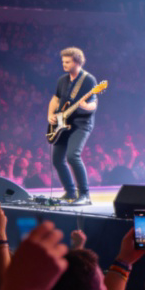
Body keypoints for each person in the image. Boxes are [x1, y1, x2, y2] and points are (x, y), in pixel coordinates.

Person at [47, 47, 99, 205]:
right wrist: (50, 115)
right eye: (63, 61)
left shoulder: (89, 80)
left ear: (77, 62)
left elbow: (94, 103)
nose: (64, 64)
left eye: (67, 62)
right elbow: (55, 99)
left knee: (72, 156)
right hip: (63, 124)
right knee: (57, 159)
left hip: (81, 124)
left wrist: (85, 106)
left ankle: (85, 195)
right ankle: (70, 192)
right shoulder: (62, 80)